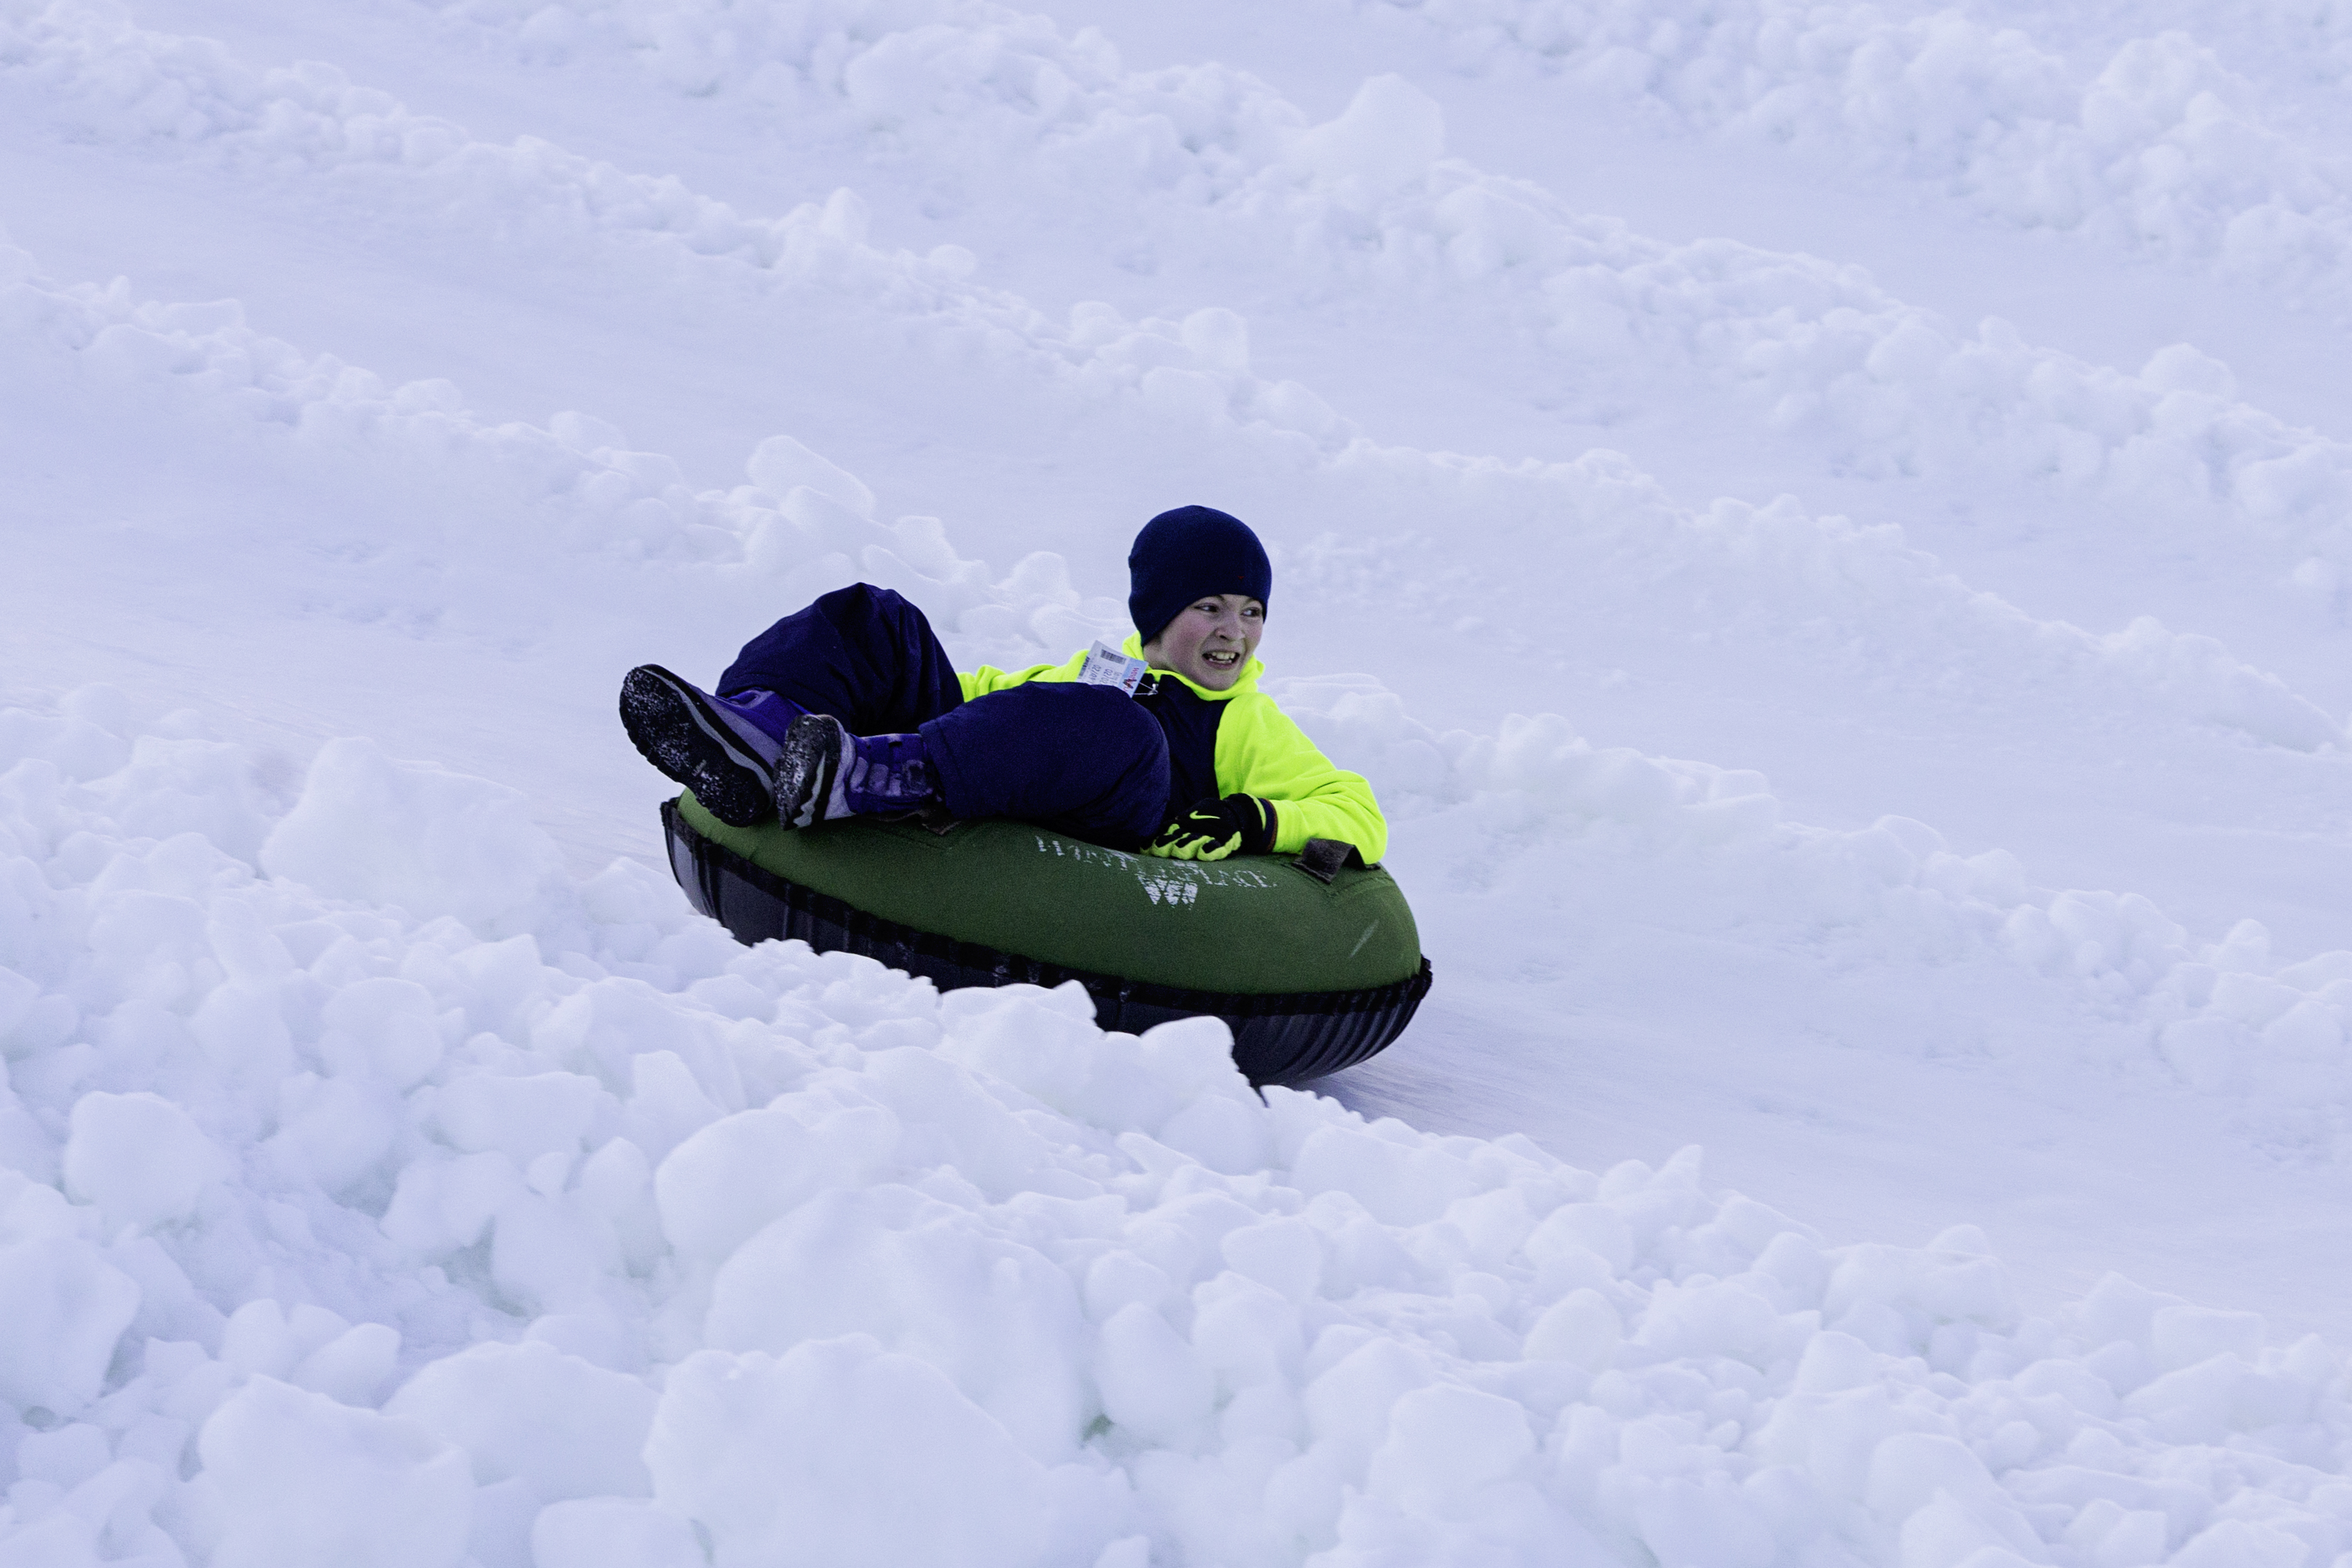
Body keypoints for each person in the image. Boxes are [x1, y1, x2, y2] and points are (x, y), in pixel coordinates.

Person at [619, 505, 1387, 864]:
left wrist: (1257, 822)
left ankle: (863, 776)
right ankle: (757, 737)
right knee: (878, 619)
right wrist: (902, 677)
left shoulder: (1246, 720)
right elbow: (993, 700)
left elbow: (1357, 811)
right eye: (1209, 607)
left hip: (1118, 816)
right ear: (1156, 615)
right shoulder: (1099, 672)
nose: (1235, 631)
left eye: (1252, 612)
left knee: (1119, 729)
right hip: (1021, 756)